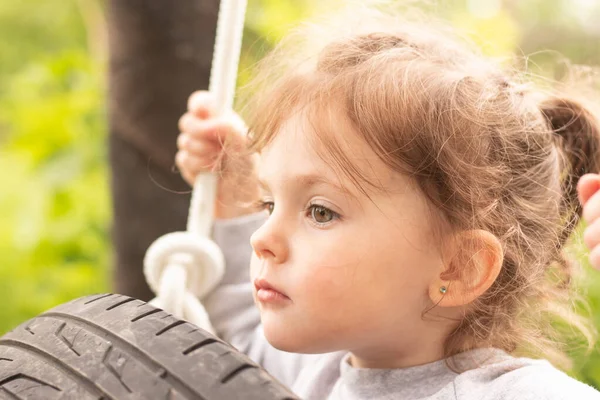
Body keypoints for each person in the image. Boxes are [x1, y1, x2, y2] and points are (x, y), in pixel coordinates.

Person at [174, 5, 600, 399]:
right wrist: (232, 196)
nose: (261, 239)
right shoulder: (314, 374)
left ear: (459, 267)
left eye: (320, 212)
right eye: (268, 204)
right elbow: (238, 338)